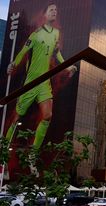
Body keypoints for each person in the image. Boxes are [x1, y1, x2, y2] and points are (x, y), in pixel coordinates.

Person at [5, 3, 77, 175]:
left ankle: (32, 155)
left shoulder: (56, 34)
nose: (54, 11)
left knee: (48, 116)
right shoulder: (36, 34)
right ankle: (3, 156)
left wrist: (68, 67)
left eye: (56, 10)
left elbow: (57, 54)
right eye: (51, 9)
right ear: (44, 14)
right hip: (31, 82)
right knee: (16, 117)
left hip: (44, 82)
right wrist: (12, 65)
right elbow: (22, 52)